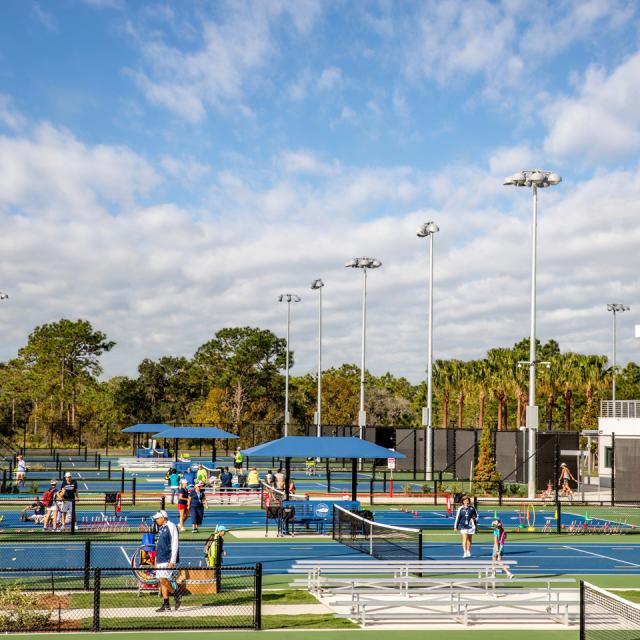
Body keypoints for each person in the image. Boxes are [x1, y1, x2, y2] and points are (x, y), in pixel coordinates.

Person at [151, 510, 181, 612]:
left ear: (163, 518)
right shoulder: (162, 528)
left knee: (163, 579)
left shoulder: (171, 526)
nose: (156, 520)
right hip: (160, 558)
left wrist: (172, 560)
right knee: (161, 581)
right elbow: (159, 545)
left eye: (157, 518)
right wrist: (156, 560)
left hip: (167, 558)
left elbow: (175, 543)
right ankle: (166, 604)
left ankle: (176, 594)